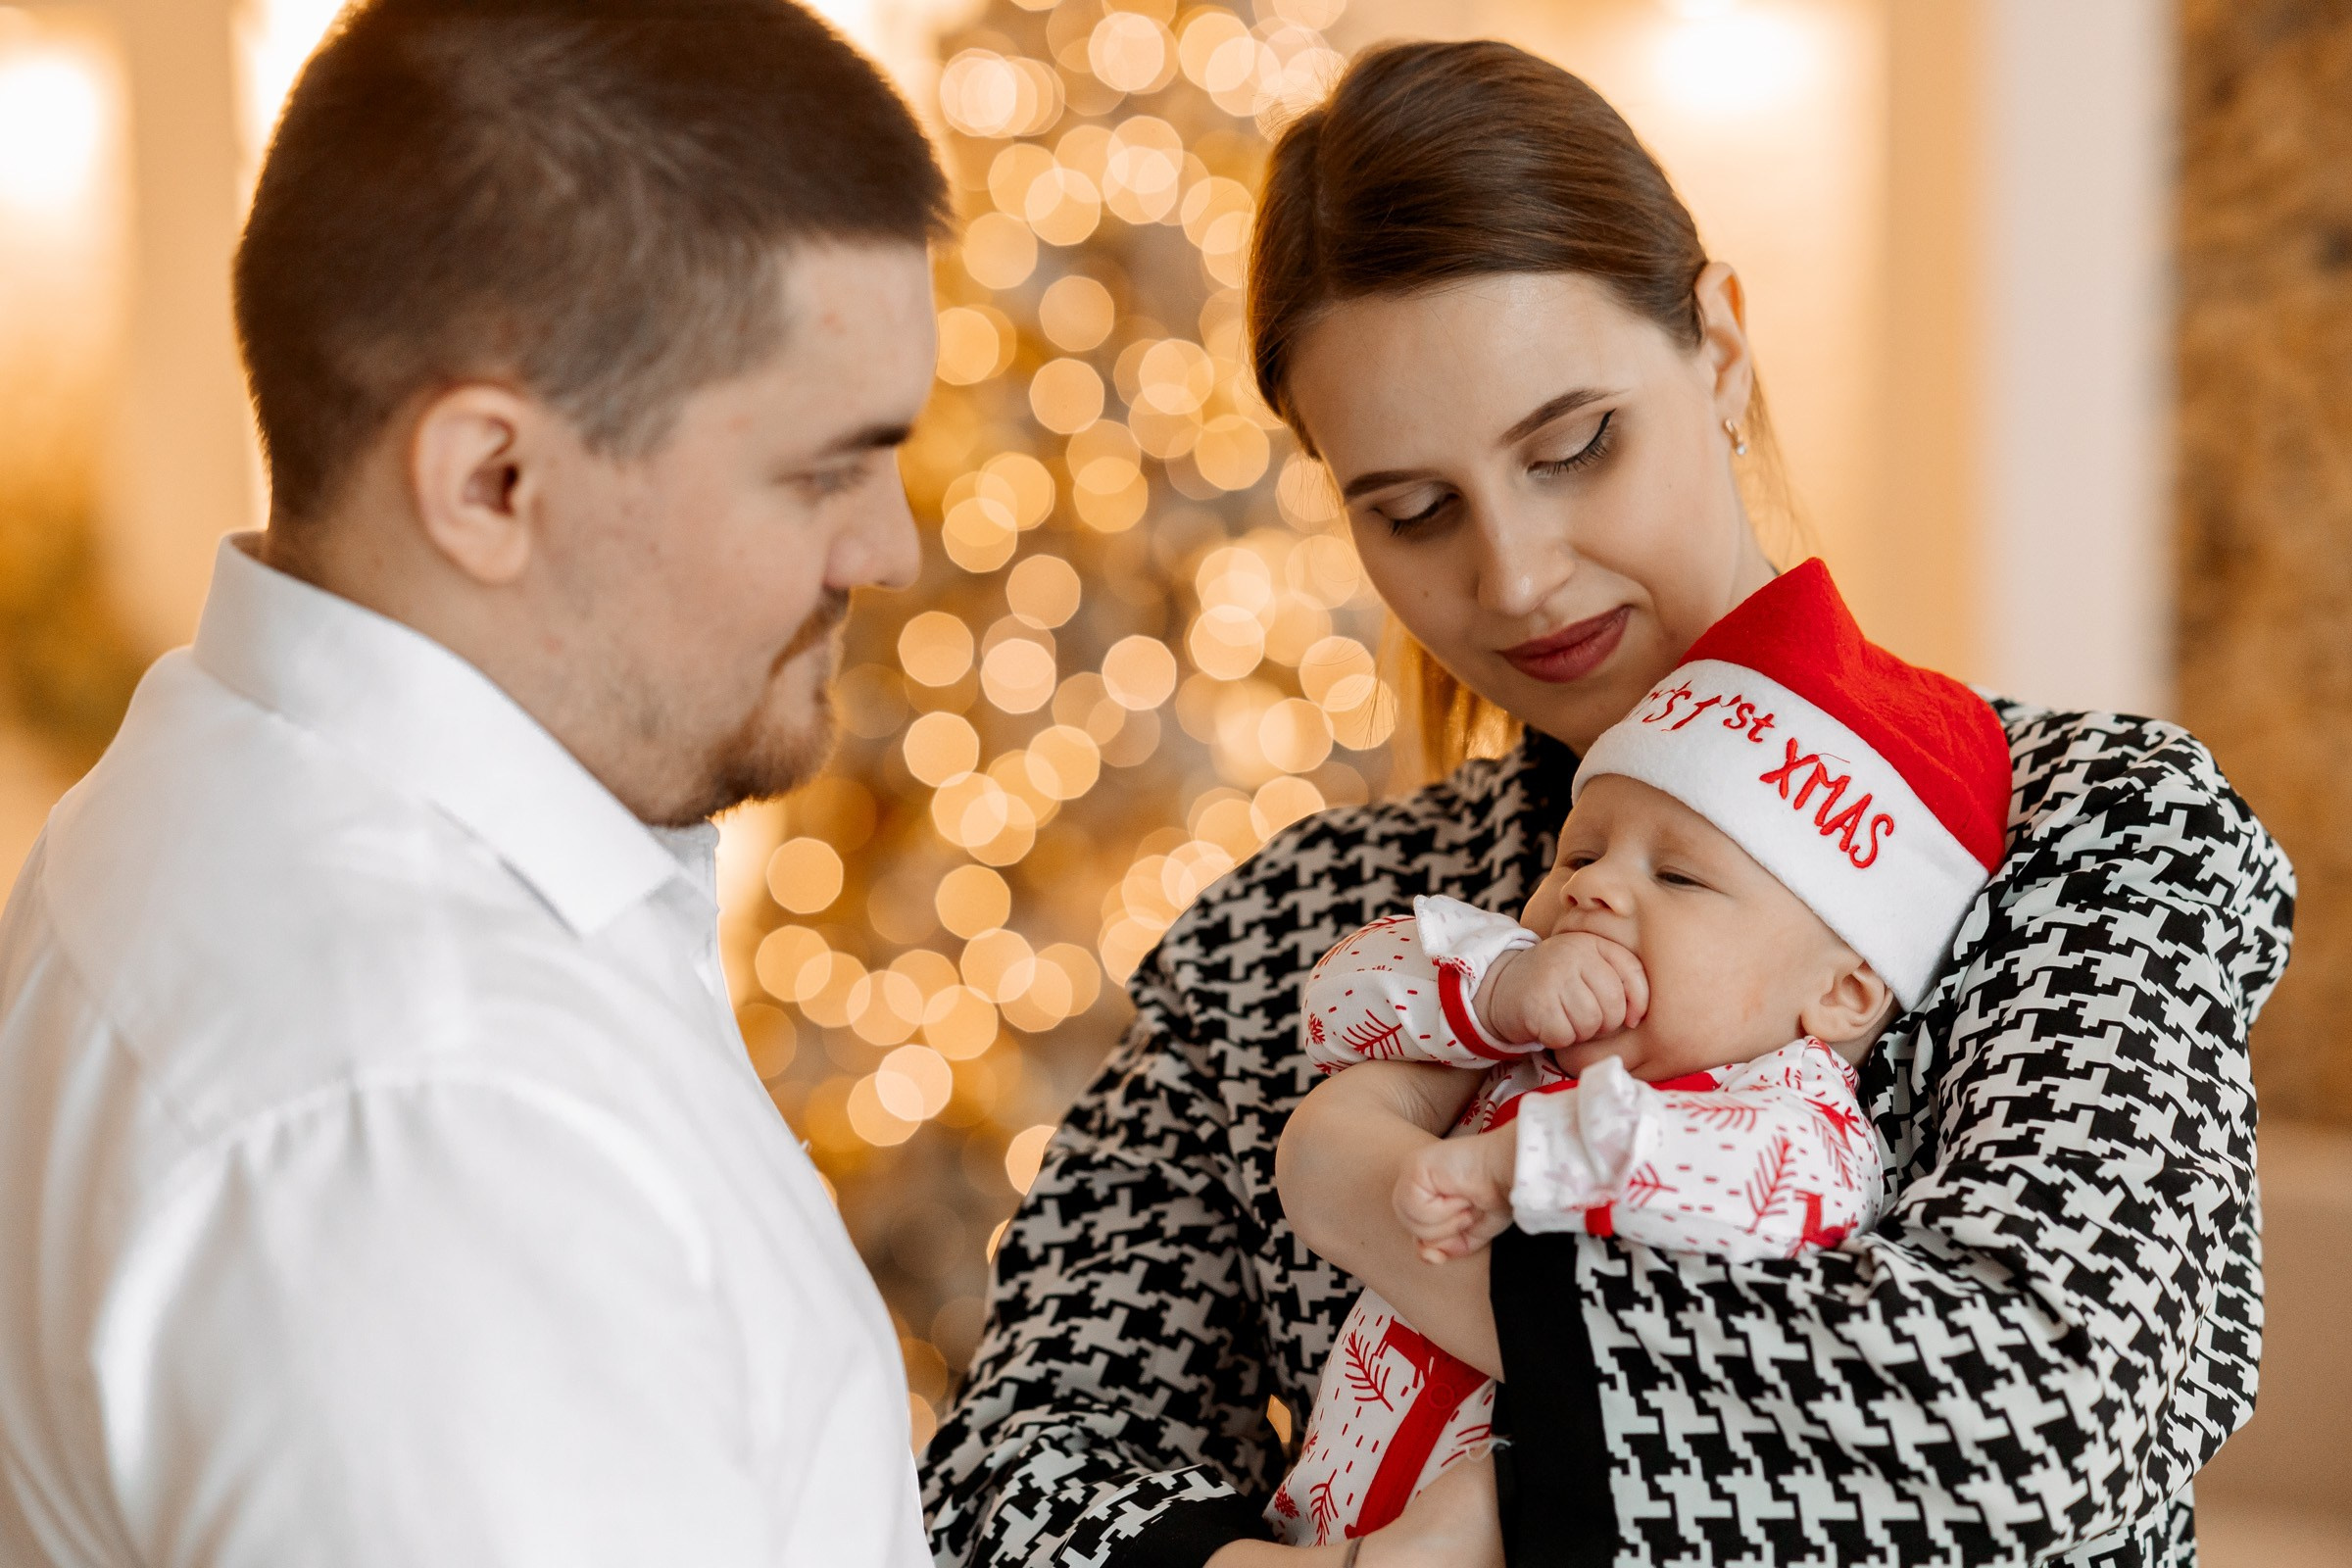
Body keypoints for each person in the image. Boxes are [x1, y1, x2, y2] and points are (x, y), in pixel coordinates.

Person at [923, 38, 2293, 1568]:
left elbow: (2036, 1435)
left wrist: (1378, 1205)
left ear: (1717, 349)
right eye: (1414, 509)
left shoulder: (2094, 829)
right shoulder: (1283, 930)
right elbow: (1013, 1464)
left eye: (1574, 446)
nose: (1512, 576)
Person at [0, 2, 948, 1563]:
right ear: (490, 481)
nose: (890, 549)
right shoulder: (431, 1126)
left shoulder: (212, 790)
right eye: (824, 470)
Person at [1267, 560, 2013, 1545]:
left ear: (1839, 992)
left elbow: (1713, 1177)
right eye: (1581, 852)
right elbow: (1335, 1001)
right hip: (1313, 1520)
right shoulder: (1526, 1035)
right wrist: (1494, 990)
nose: (1593, 888)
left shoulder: (1804, 1124)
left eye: (1678, 875)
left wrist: (1520, 1158)